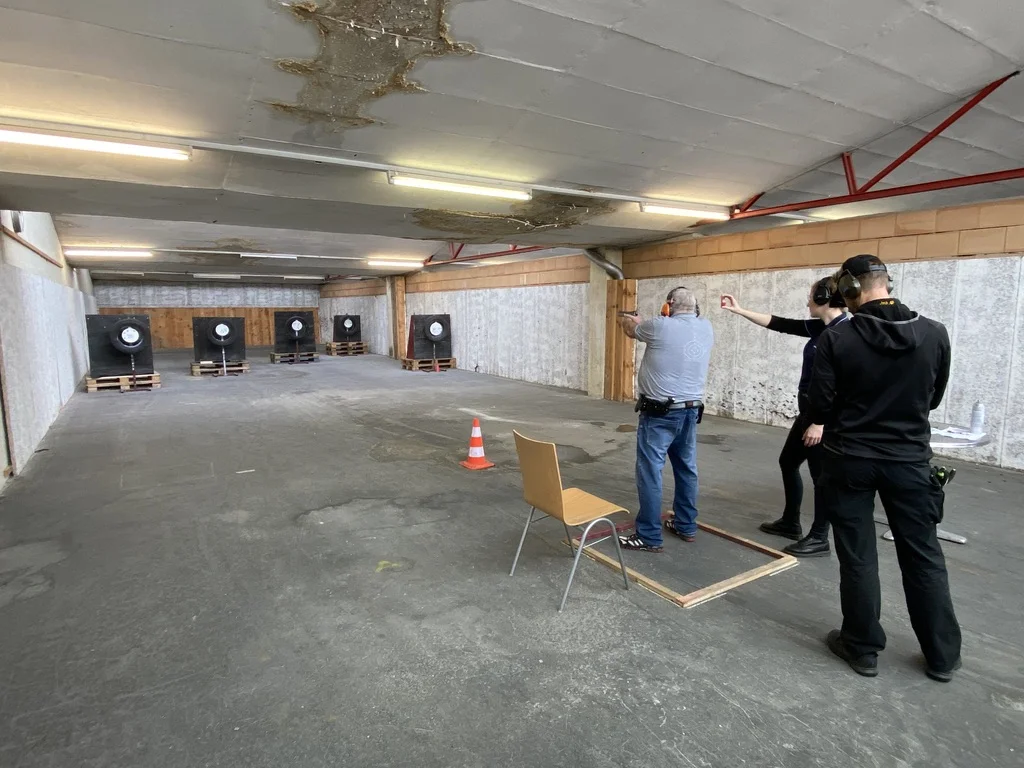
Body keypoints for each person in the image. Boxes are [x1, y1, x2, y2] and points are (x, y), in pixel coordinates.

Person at [806, 254, 961, 682]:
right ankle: (942, 656)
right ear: (886, 283)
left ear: (850, 288)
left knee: (858, 556)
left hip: (850, 459)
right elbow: (933, 398)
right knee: (924, 556)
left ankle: (861, 648)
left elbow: (819, 406)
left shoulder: (838, 337)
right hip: (910, 462)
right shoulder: (934, 332)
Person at [720, 278, 848, 557]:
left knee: (821, 478)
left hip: (823, 420)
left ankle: (820, 538)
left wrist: (820, 423)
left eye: (811, 295)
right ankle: (791, 522)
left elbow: (843, 385)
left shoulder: (845, 333)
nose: (807, 300)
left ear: (824, 297)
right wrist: (740, 311)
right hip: (808, 413)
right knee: (788, 462)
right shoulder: (823, 328)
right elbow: (781, 323)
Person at [617, 287, 714, 552]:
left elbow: (631, 331)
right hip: (691, 411)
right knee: (686, 469)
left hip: (660, 413)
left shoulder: (659, 325)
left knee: (650, 472)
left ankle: (649, 535)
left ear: (669, 305)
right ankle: (685, 525)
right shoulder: (706, 327)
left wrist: (628, 319)